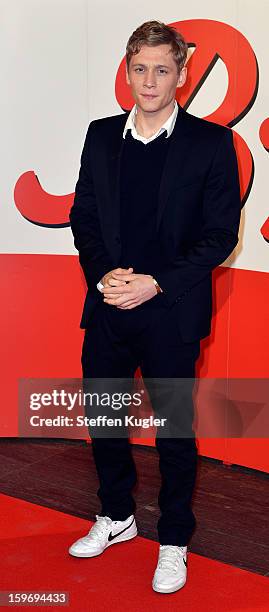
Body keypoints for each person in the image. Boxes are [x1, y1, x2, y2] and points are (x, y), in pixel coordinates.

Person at [68, 20, 241, 594]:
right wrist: (103, 277)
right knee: (106, 423)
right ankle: (116, 517)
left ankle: (174, 541)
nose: (149, 80)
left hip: (171, 312)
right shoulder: (99, 136)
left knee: (173, 430)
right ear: (128, 70)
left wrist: (155, 284)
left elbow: (219, 236)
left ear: (182, 76)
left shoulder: (210, 143)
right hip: (109, 306)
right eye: (140, 68)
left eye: (162, 69)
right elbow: (84, 217)